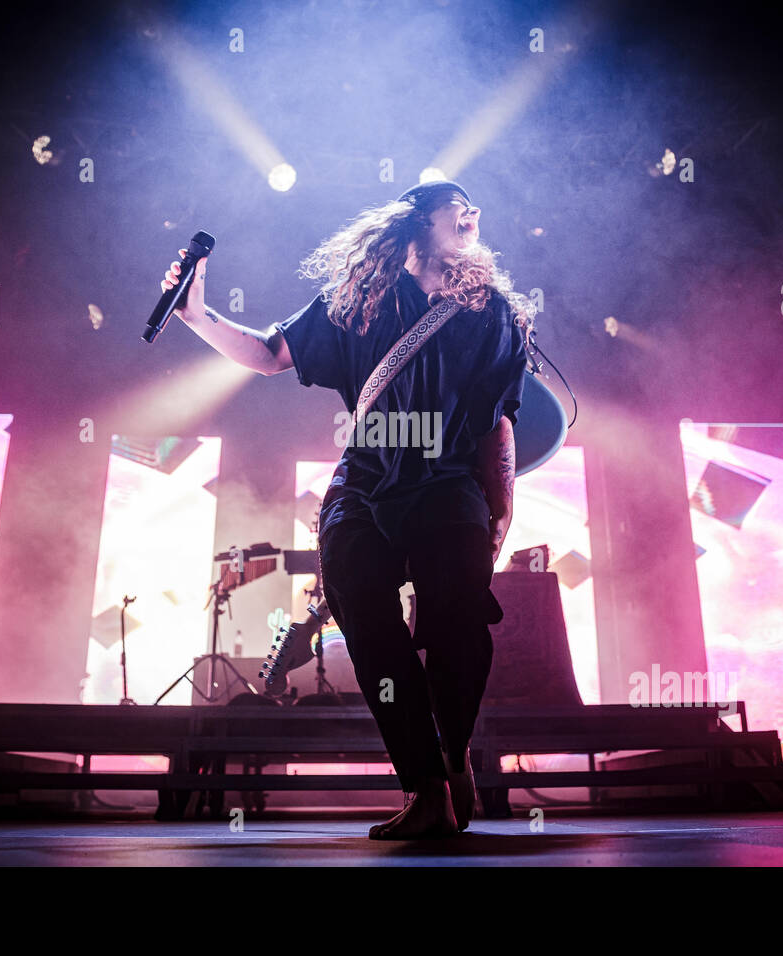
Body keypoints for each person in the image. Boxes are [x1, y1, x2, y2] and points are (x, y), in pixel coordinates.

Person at [161, 181, 536, 838]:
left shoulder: (492, 313)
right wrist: (195, 313)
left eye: (478, 208)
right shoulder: (356, 304)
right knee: (362, 611)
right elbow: (272, 354)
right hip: (364, 486)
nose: (474, 215)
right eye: (459, 206)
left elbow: (497, 425)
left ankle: (453, 755)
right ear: (418, 222)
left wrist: (500, 512)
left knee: (458, 627)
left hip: (449, 485)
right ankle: (423, 788)